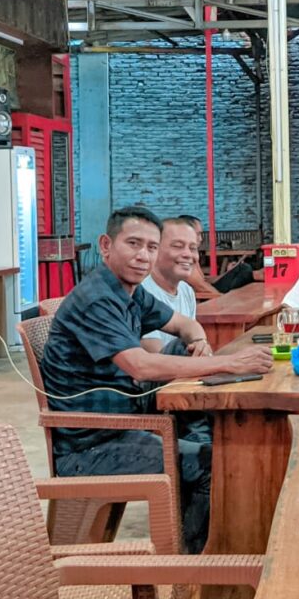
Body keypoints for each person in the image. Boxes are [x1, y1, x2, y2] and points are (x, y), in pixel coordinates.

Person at [41, 206, 273, 553]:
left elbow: (184, 324)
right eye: (133, 244)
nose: (143, 256)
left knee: (187, 358)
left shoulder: (130, 292)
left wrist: (199, 342)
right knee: (210, 463)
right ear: (106, 245)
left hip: (127, 416)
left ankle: (205, 449)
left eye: (151, 247)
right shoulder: (97, 298)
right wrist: (227, 363)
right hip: (93, 445)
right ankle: (194, 567)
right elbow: (140, 367)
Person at [140, 217, 207, 352]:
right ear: (155, 249)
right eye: (177, 246)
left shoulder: (186, 290)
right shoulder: (140, 293)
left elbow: (194, 343)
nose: (188, 254)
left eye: (193, 248)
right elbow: (156, 357)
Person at [180, 215, 262, 297]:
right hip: (210, 296)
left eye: (201, 234)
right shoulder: (184, 257)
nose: (201, 239)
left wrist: (228, 273)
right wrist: (223, 298)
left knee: (242, 268)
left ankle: (244, 291)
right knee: (245, 270)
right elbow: (201, 287)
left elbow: (205, 280)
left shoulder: (192, 253)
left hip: (213, 290)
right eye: (198, 234)